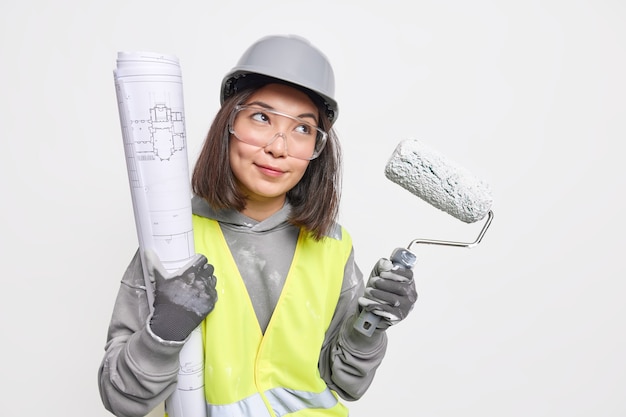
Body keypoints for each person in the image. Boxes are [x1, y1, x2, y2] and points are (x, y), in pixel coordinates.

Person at [98, 34, 418, 417]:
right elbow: (120, 400)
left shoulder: (332, 245)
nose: (279, 147)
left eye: (302, 128)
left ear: (318, 149)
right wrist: (165, 329)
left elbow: (347, 383)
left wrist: (372, 324)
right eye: (262, 118)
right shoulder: (172, 240)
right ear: (229, 123)